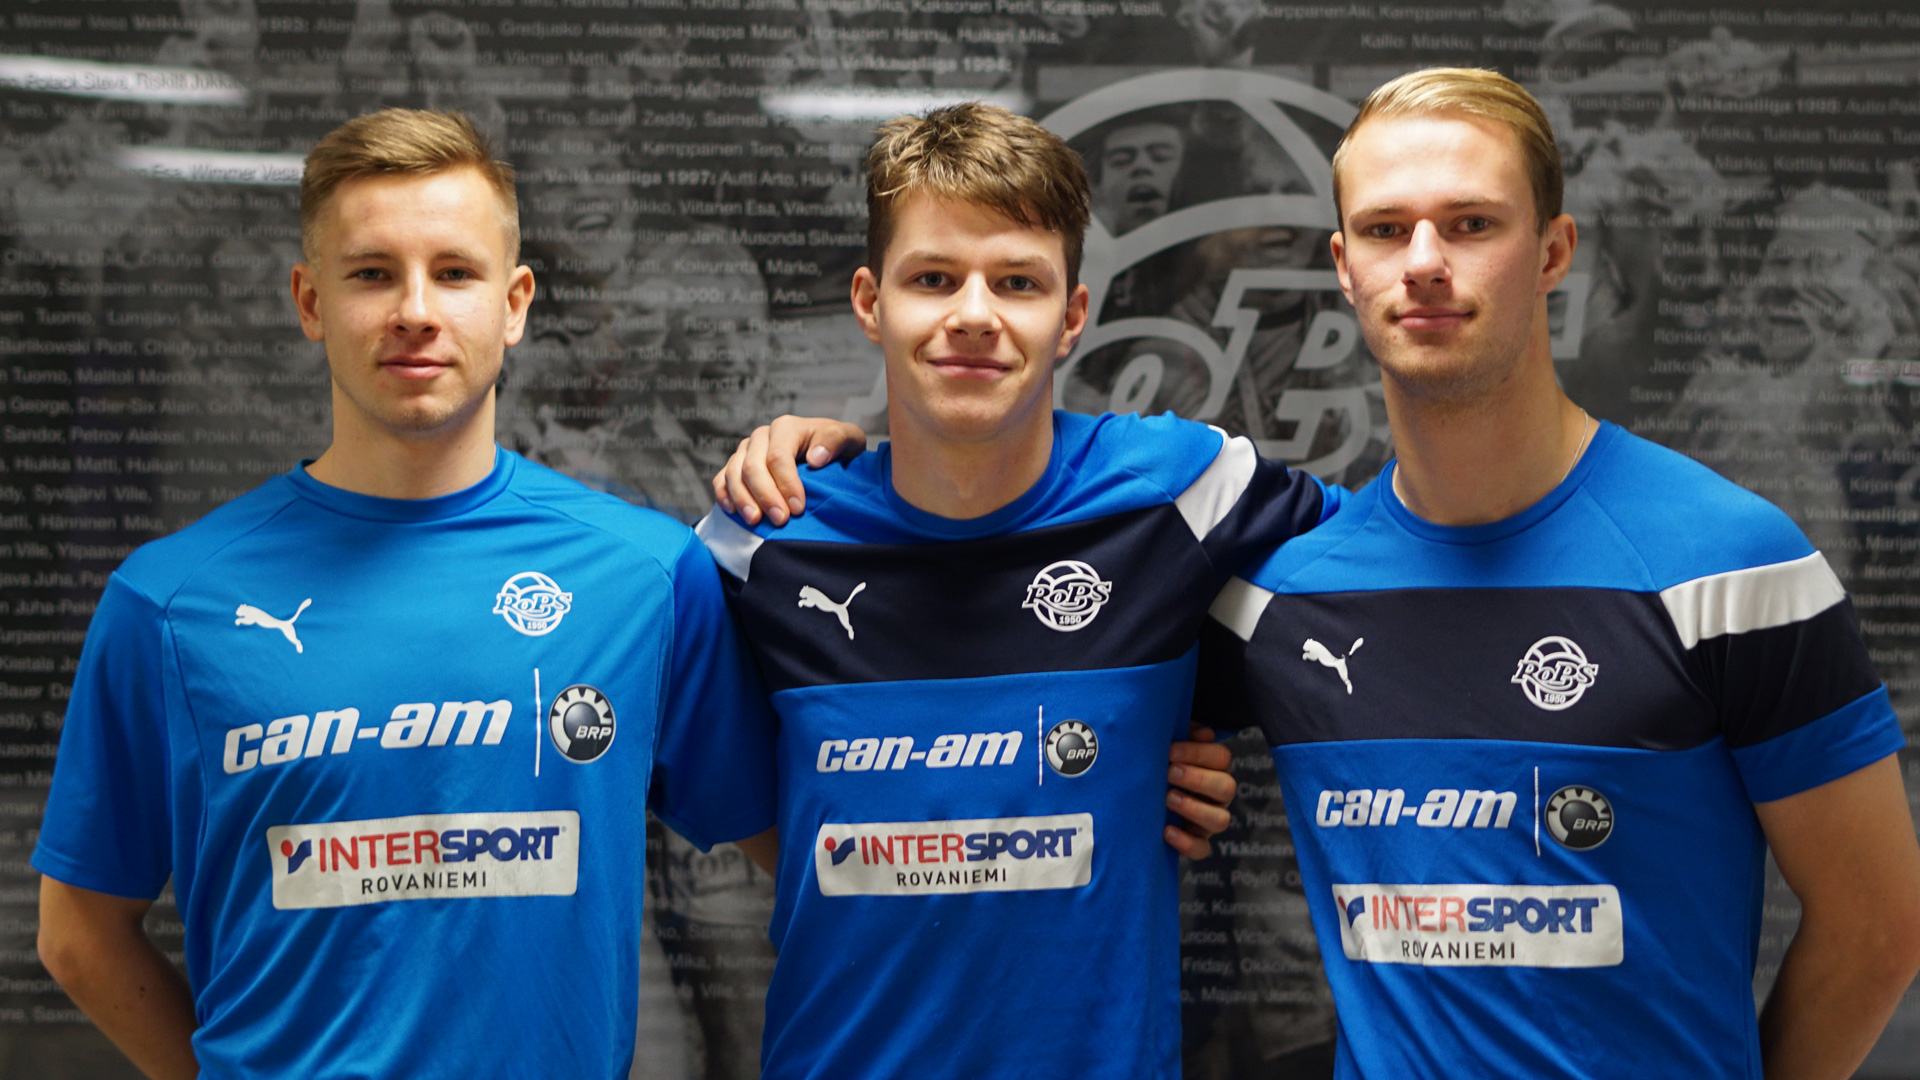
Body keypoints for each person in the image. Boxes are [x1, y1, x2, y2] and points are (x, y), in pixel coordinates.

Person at [1194, 68, 1920, 1078]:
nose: (1425, 262)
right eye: (1386, 229)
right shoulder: (1283, 597)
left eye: (1472, 224)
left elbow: (1879, 929)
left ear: (1553, 251)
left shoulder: (1731, 563)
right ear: (1345, 267)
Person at [30, 108, 781, 1080]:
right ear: (310, 301)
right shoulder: (169, 603)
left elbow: (819, 853)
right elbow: (79, 935)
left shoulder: (646, 576)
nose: (415, 311)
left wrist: (866, 479)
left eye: (455, 273)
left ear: (514, 303)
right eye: (372, 274)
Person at [697, 103, 1339, 1079]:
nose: (973, 314)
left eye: (1017, 282)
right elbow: (746, 803)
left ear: (1072, 315)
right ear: (870, 302)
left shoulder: (1180, 493)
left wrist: (1134, 768)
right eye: (933, 279)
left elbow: (1397, 563)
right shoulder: (762, 540)